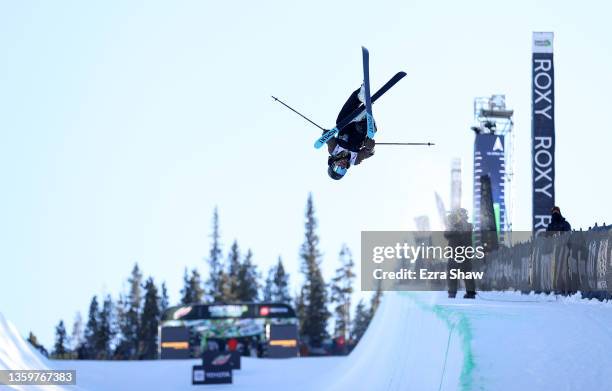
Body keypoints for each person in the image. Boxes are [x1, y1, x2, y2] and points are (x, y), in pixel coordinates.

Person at [325, 85, 376, 180]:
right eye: (342, 170)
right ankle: (365, 113)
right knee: (359, 137)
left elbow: (330, 141)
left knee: (340, 122)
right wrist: (369, 148)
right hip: (363, 127)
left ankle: (360, 95)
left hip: (348, 122)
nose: (342, 167)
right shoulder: (354, 159)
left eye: (337, 168)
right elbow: (366, 154)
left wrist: (327, 135)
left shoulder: (334, 151)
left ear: (333, 163)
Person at [444, 208, 477, 299]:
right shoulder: (465, 225)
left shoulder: (466, 226)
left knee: (455, 273)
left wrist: (452, 223)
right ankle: (468, 293)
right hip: (463, 253)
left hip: (457, 253)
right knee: (465, 273)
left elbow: (448, 234)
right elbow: (446, 234)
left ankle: (453, 293)